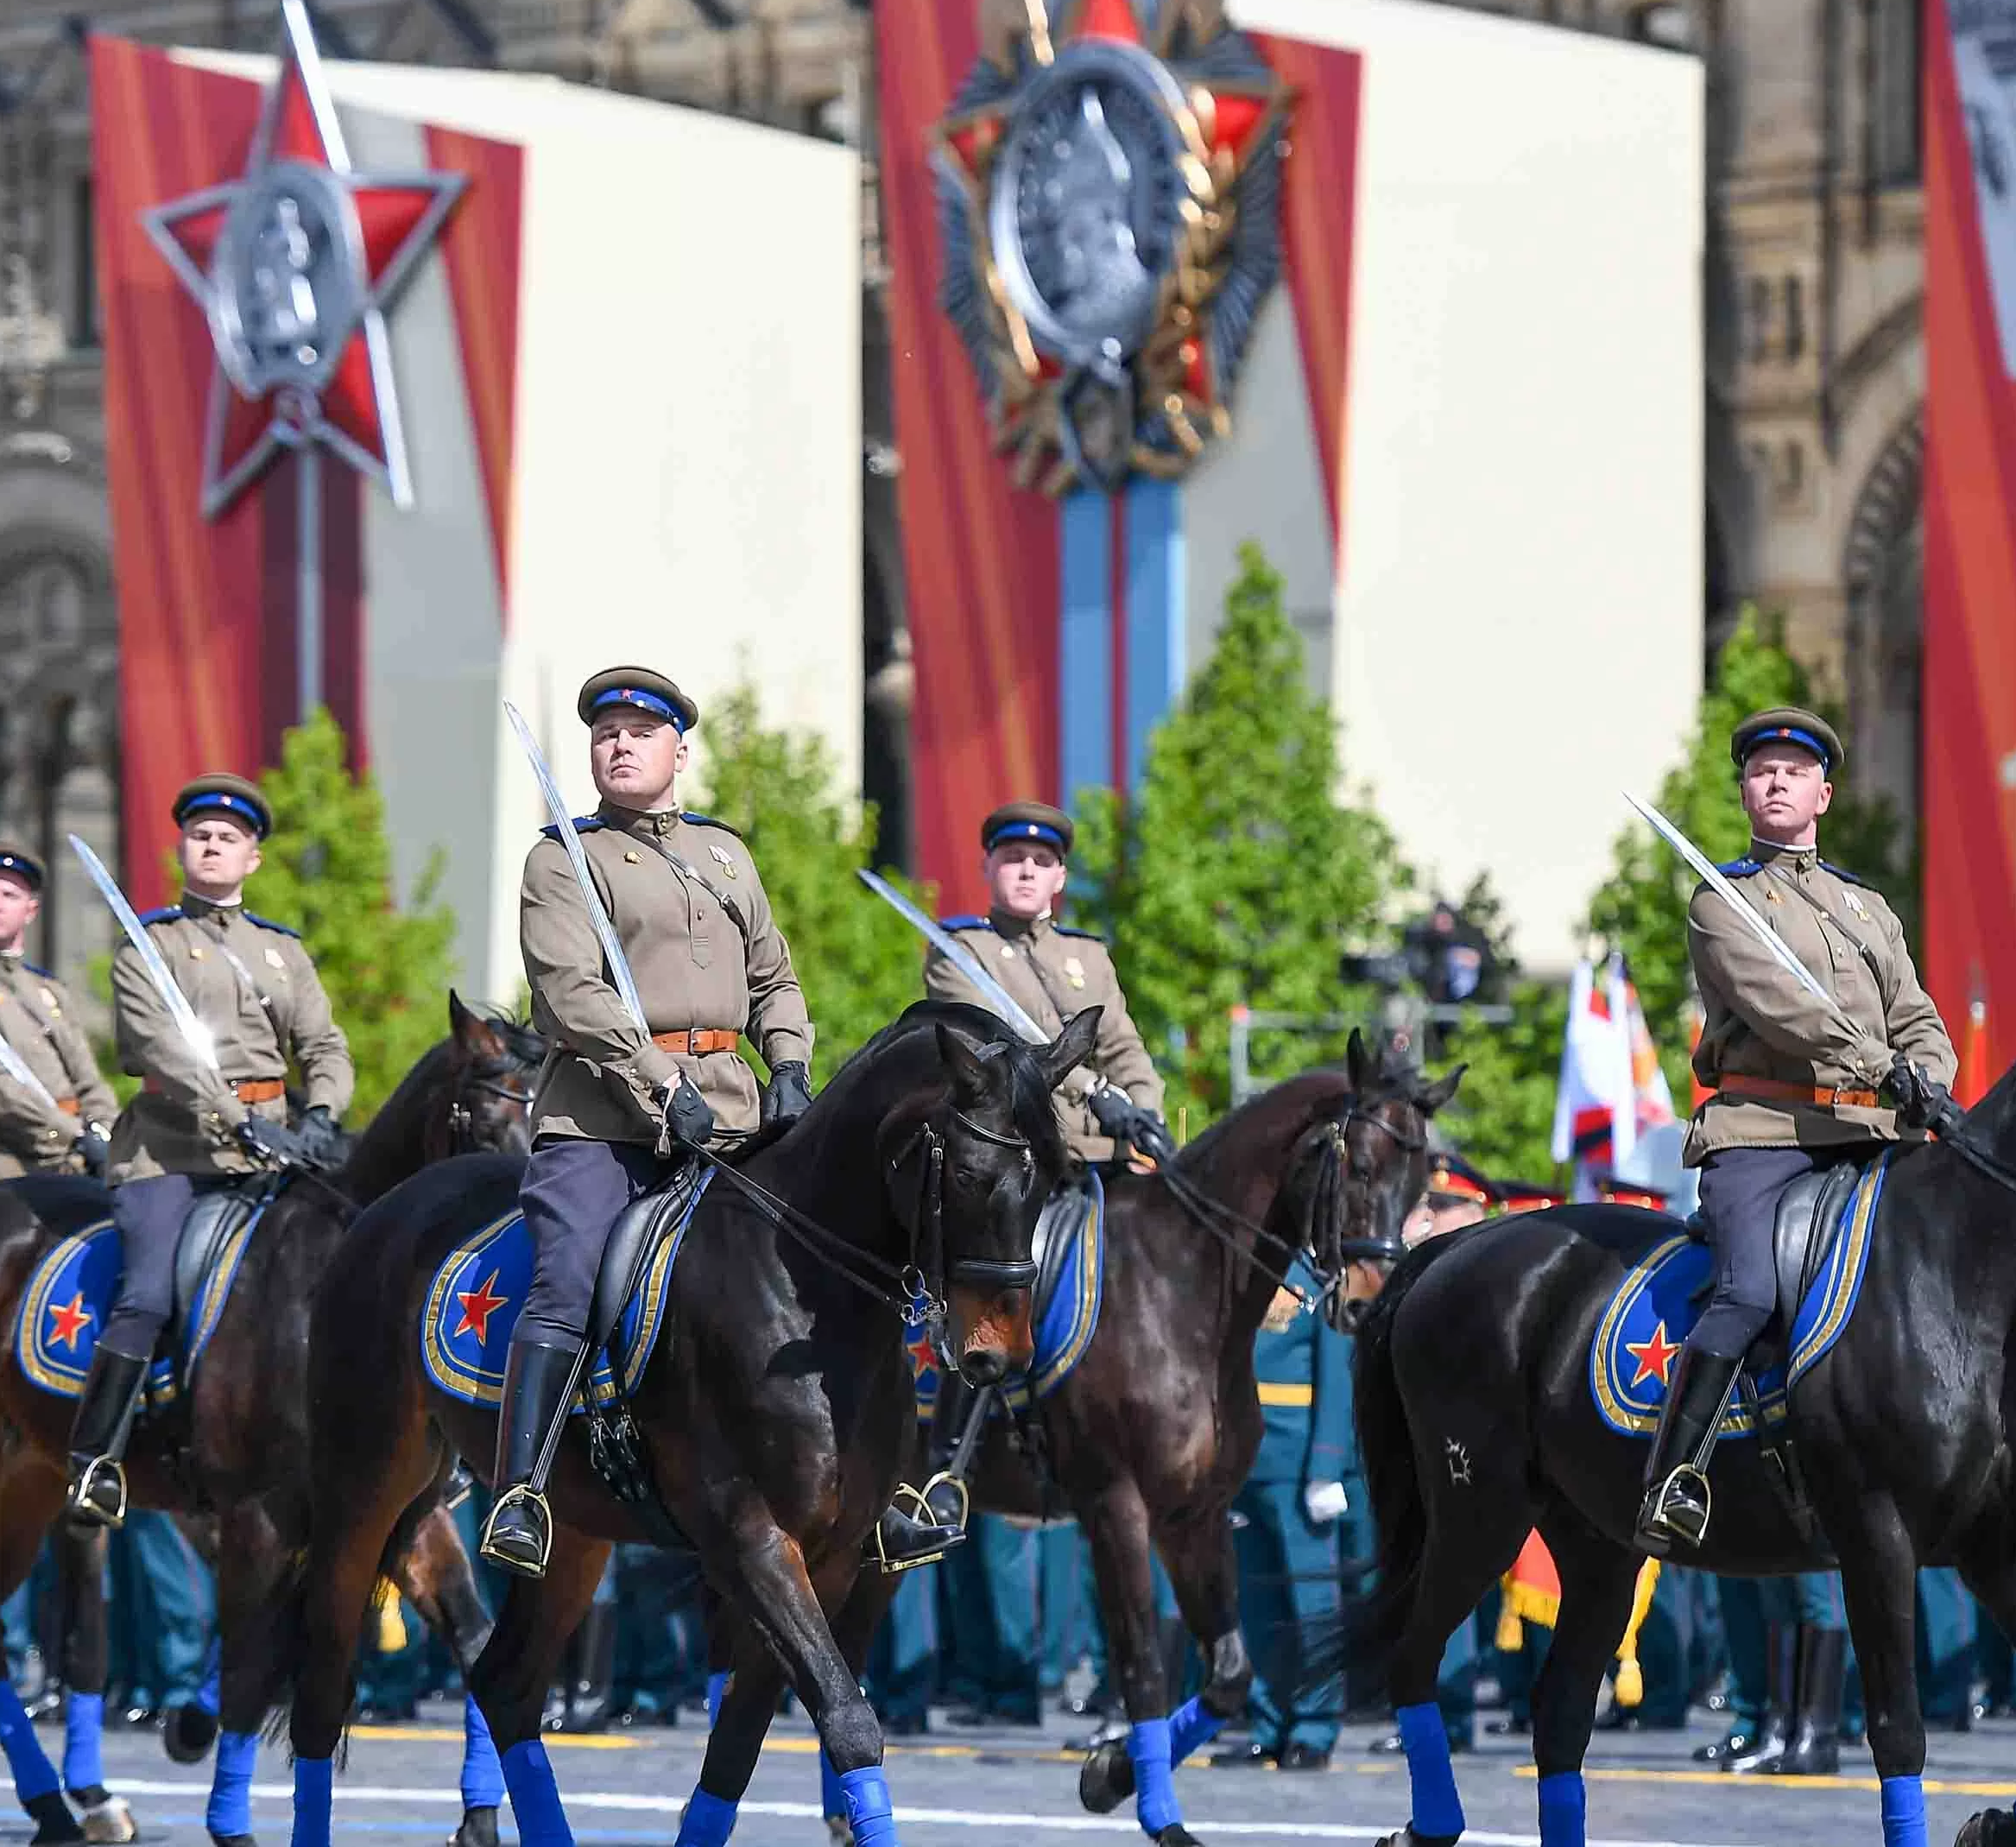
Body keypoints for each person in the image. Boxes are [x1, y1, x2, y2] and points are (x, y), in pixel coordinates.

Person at [479, 667, 814, 1578]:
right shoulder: (563, 858)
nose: (619, 744)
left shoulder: (726, 856)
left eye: (639, 730)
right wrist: (664, 1088)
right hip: (604, 1119)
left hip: (734, 1112)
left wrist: (787, 1061)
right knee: (573, 1273)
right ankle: (524, 1488)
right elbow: (574, 996)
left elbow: (775, 979)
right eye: (606, 733)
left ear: (679, 750)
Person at [1635, 707, 1958, 1555]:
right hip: (1764, 1132)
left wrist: (1930, 1072)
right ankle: (1677, 1473)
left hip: (1873, 1134)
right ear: (1746, 790)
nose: (1774, 781)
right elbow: (1784, 1016)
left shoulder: (1868, 909)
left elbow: (1917, 1018)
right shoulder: (1722, 900)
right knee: (1749, 1289)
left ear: (1824, 792)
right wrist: (1876, 1064)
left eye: (1791, 770)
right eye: (1760, 771)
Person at [875, 800, 1169, 1570]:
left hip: (1100, 1165)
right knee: (1003, 1280)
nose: (1027, 871)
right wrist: (1091, 1096)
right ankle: (949, 1467)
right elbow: (999, 1059)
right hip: (1018, 1167)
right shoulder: (959, 951)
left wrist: (1144, 1109)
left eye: (1041, 862)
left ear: (1060, 878)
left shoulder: (1090, 959)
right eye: (1012, 860)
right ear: (989, 871)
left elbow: (1128, 1050)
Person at [63, 774, 355, 1528]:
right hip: (170, 1154)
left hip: (274, 1151)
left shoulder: (282, 952)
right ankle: (96, 1458)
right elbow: (159, 1051)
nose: (214, 845)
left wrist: (322, 1110)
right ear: (182, 848)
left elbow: (324, 1044)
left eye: (230, 838)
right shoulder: (149, 946)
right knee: (150, 1291)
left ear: (253, 858)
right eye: (201, 835)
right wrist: (240, 1117)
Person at [1220, 1257, 1357, 1769]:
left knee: (1312, 1599)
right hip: (1239, 1455)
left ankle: (1315, 1727)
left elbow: (1336, 1373)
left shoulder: (1319, 1277)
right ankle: (1268, 1721)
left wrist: (1326, 1463)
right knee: (1255, 1601)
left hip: (1297, 1456)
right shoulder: (1234, 1261)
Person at [0, 841, 119, 1191]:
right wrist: (72, 1133)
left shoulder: (51, 990)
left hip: (71, 1162)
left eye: (9, 895)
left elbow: (88, 1080)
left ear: (30, 910)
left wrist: (107, 1131)